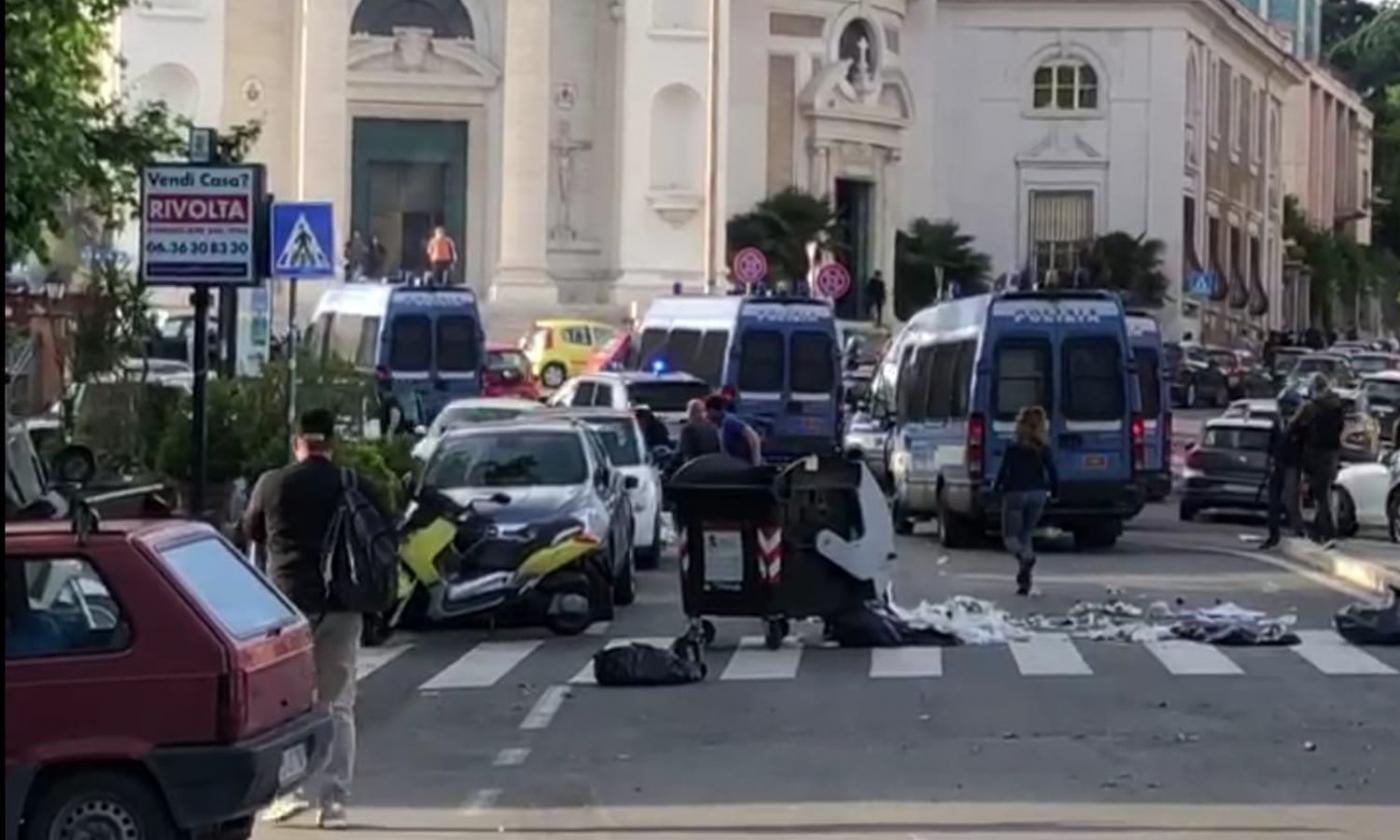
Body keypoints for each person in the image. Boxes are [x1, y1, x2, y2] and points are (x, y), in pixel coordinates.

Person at [243, 409, 387, 829]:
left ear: (298, 442)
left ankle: (286, 794)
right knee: (338, 705)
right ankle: (335, 801)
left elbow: (250, 530)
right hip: (342, 605)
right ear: (333, 443)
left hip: (286, 608)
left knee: (287, 708)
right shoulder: (354, 483)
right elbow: (384, 528)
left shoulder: (273, 484)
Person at [993, 406, 1058, 596]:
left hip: (1015, 492)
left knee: (1010, 537)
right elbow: (1052, 471)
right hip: (1038, 494)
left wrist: (996, 489)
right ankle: (1025, 582)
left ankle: (1025, 557)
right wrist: (1054, 491)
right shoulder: (1043, 448)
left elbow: (1004, 470)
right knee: (1026, 533)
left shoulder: (1013, 446)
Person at [1290, 374, 1345, 545]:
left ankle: (1325, 532)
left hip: (1315, 453)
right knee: (1324, 493)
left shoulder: (1311, 407)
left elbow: (1293, 425)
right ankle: (1323, 530)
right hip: (1332, 453)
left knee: (1318, 494)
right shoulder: (1337, 405)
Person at [1258, 410, 1305, 549]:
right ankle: (1273, 535)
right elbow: (1271, 444)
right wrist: (1270, 461)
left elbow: (1302, 447)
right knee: (1273, 501)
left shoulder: (1299, 426)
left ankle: (1298, 530)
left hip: (1292, 465)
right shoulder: (1276, 424)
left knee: (1291, 499)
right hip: (1277, 466)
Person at [705, 394, 762, 466]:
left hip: (742, 462)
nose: (707, 414)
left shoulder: (730, 422)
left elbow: (753, 436)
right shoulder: (718, 425)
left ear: (713, 410)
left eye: (708, 411)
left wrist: (755, 461)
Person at [677, 398, 720, 464]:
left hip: (696, 467)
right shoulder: (713, 428)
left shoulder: (688, 429)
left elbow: (685, 454)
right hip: (713, 465)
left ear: (690, 412)